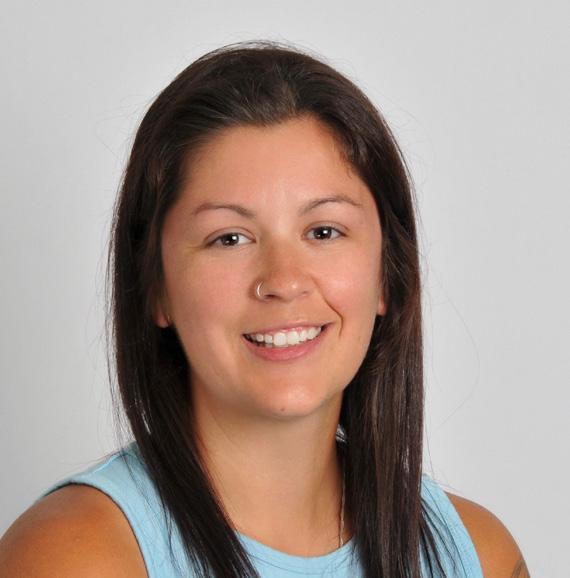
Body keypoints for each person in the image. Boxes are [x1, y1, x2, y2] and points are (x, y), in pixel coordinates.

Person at [0, 41, 529, 578]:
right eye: (229, 238)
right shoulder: (73, 557)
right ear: (156, 288)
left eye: (324, 231)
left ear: (386, 275)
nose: (283, 281)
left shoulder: (478, 557)